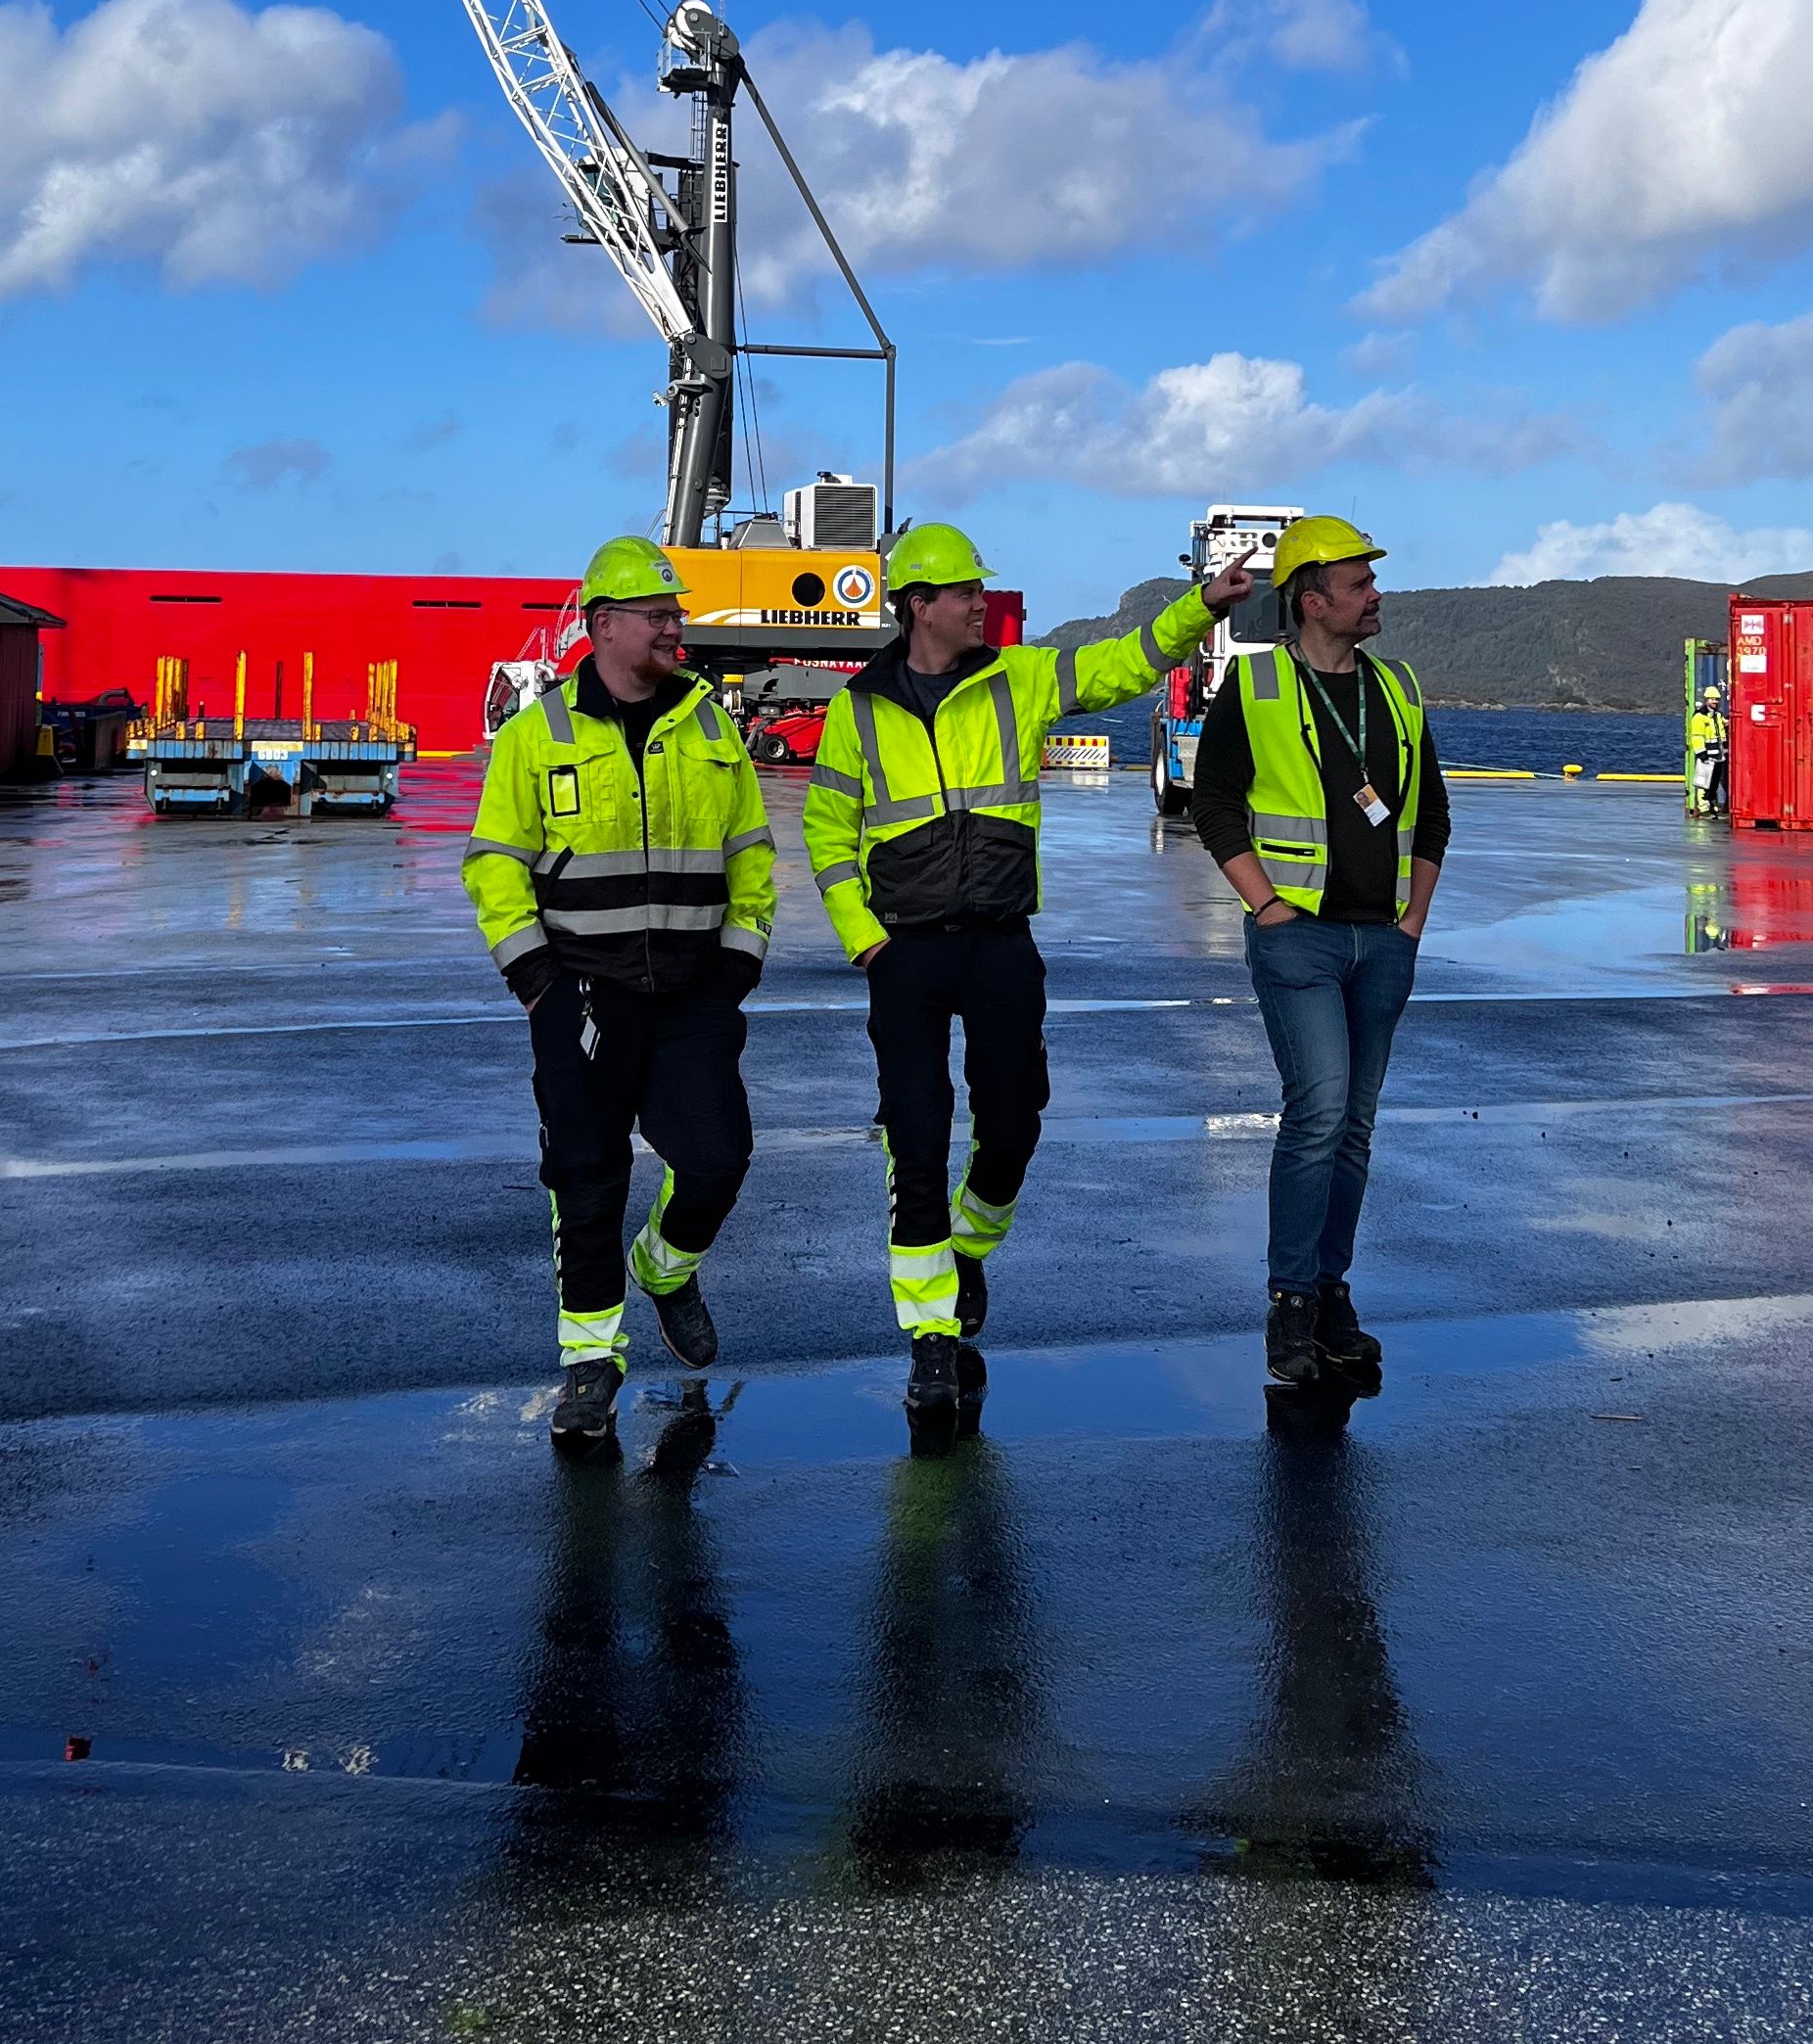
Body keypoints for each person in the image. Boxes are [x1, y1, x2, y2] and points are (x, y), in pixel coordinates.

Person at [803, 519, 1266, 1424]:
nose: (982, 602)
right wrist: (865, 940)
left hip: (1002, 943)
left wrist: (1198, 609)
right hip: (905, 951)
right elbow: (827, 835)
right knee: (918, 1137)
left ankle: (969, 1248)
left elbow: (1123, 664)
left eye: (981, 590)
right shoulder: (858, 712)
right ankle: (930, 1338)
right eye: (966, 592)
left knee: (1013, 1122)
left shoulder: (1021, 679)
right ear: (918, 606)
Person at [465, 537, 778, 1446]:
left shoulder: (712, 727)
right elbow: (493, 867)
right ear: (603, 626)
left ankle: (668, 1266)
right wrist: (538, 985)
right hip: (584, 999)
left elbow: (750, 853)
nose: (676, 627)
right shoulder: (538, 735)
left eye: (676, 614)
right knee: (587, 1180)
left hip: (692, 997)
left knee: (718, 1159)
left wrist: (739, 963)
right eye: (659, 615)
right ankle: (590, 1366)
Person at [1187, 515, 1449, 1398]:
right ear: (1312, 600)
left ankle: (1332, 1293)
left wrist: (1412, 924)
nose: (1377, 595)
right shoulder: (1256, 686)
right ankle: (1291, 1303)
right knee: (1320, 1110)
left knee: (1356, 1126)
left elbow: (1433, 816)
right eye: (1360, 583)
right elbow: (1214, 803)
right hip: (1296, 935)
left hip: (1383, 940)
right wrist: (1263, 905)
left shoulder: (1399, 686)